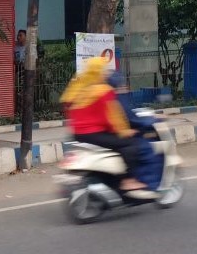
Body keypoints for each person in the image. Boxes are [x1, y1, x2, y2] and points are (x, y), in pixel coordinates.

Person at [60, 57, 149, 192]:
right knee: (130, 144)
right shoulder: (103, 90)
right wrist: (125, 132)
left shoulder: (77, 87)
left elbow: (67, 107)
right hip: (94, 134)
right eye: (103, 70)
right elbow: (114, 117)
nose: (105, 73)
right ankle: (128, 180)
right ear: (98, 71)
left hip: (77, 134)